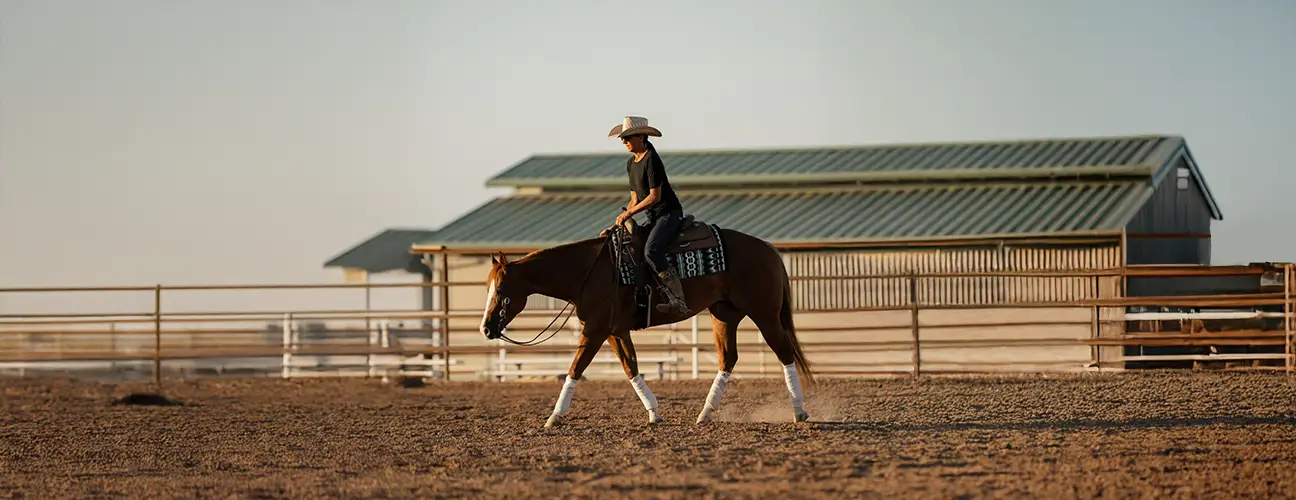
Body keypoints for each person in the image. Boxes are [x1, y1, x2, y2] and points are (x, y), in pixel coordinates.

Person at [608, 116, 688, 314]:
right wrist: (620, 221)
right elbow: (635, 198)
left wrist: (629, 214)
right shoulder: (631, 163)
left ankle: (678, 300)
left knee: (651, 250)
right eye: (622, 138)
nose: (624, 142)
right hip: (653, 217)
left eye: (627, 137)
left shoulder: (652, 159)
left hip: (668, 213)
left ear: (641, 136)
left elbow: (654, 197)